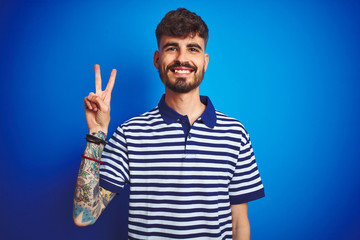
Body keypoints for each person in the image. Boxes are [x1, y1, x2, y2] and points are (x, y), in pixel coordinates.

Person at [73, 8, 265, 240]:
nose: (182, 58)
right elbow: (85, 215)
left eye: (192, 48)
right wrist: (97, 133)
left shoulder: (235, 133)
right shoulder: (129, 134)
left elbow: (239, 224)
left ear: (205, 61)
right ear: (157, 59)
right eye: (172, 47)